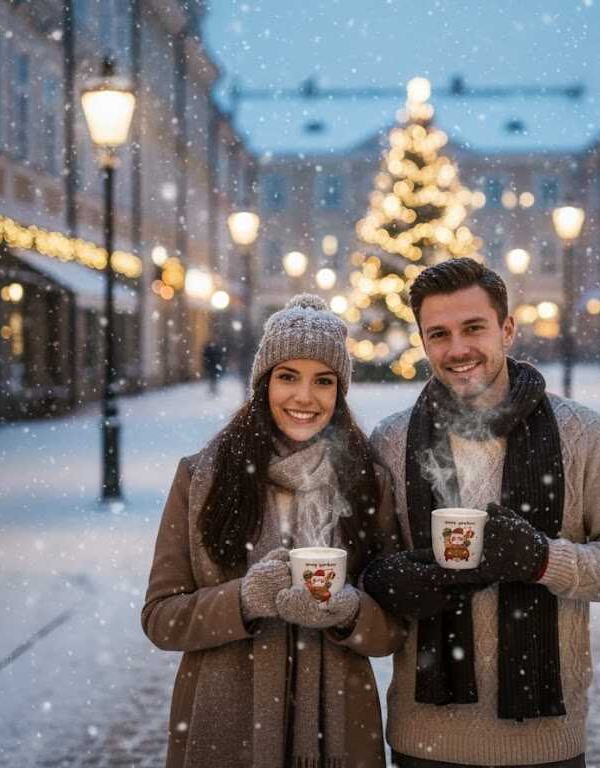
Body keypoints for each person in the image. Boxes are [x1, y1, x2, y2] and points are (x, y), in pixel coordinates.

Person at [362, 258, 600, 768]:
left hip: (545, 742)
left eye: (473, 328)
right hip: (425, 740)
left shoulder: (580, 433)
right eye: (438, 334)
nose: (457, 349)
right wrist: (387, 580)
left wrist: (544, 561)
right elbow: (365, 573)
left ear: (507, 330)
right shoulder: (392, 441)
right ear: (422, 341)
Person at [142, 294, 405, 768]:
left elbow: (392, 630)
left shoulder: (368, 480)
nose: (305, 397)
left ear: (339, 392)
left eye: (323, 382)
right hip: (225, 731)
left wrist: (348, 611)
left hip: (339, 731)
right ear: (263, 383)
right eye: (288, 377)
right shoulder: (202, 477)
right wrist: (243, 600)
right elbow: (161, 618)